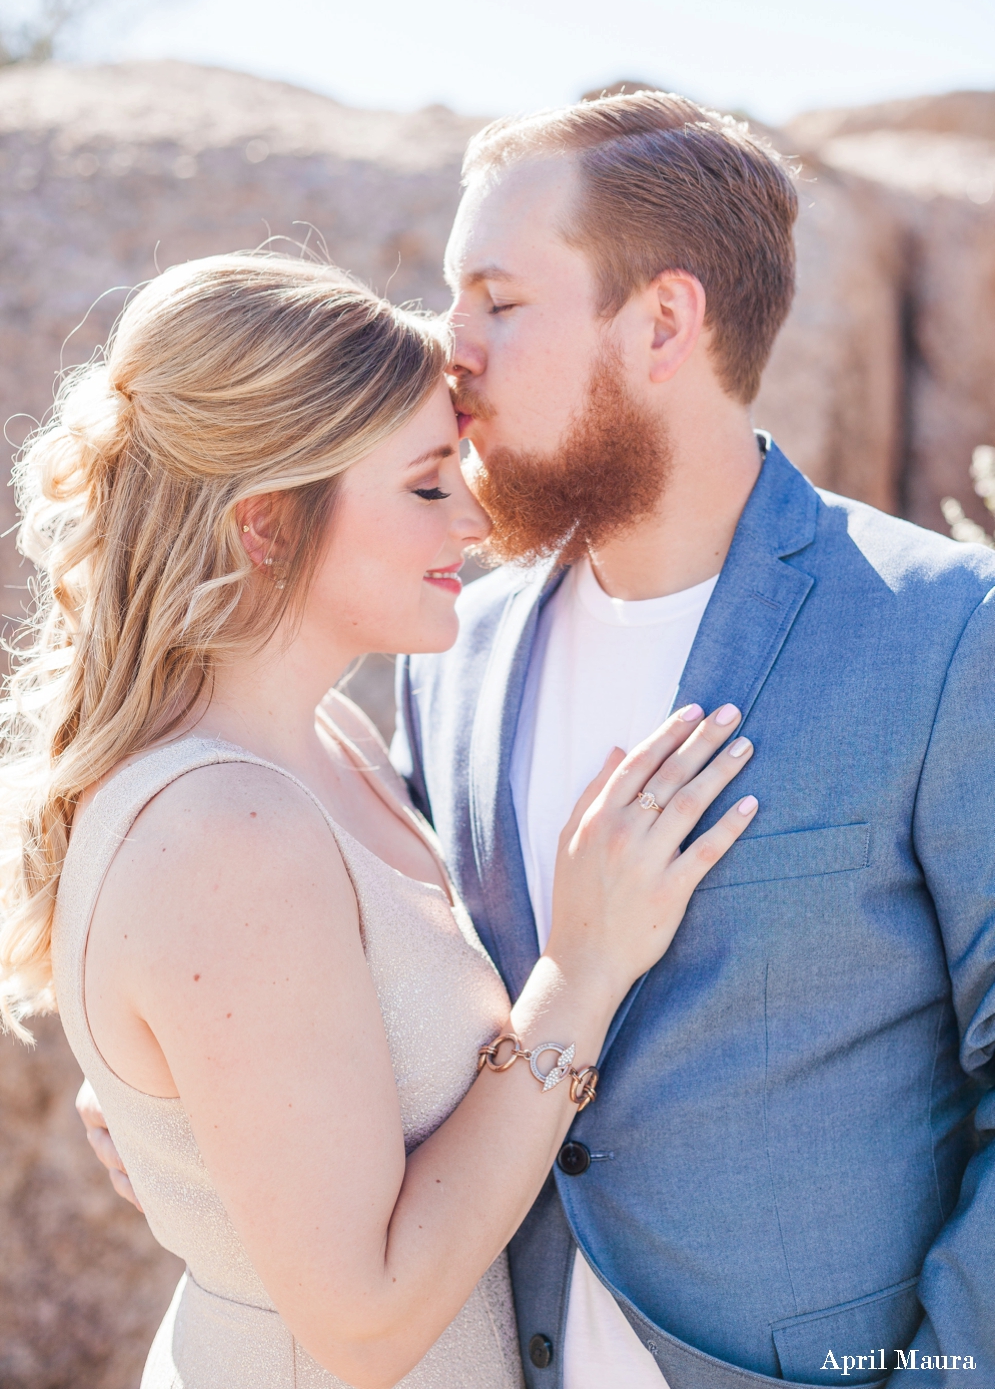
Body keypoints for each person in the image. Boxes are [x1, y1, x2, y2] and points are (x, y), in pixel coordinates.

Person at [0, 252, 759, 1389]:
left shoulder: (328, 743)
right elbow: (363, 1326)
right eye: (422, 487)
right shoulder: (227, 830)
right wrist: (585, 967)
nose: (475, 519)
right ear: (265, 526)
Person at [386, 92, 995, 1388]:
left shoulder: (945, 633)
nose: (451, 353)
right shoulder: (450, 652)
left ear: (661, 322)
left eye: (496, 298)